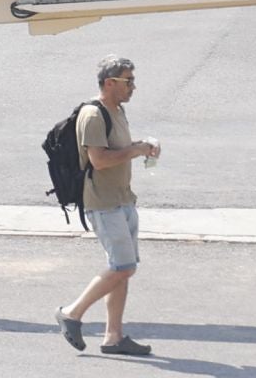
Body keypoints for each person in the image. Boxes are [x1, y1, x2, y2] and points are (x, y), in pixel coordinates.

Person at [55, 55, 161, 357]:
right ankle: (72, 313)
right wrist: (136, 150)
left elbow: (120, 150)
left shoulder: (117, 111)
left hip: (123, 199)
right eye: (129, 81)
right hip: (103, 204)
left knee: (123, 270)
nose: (134, 87)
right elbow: (99, 160)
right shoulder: (93, 115)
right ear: (110, 83)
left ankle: (114, 337)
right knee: (123, 266)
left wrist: (143, 147)